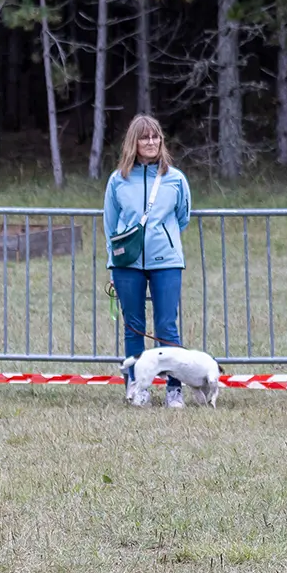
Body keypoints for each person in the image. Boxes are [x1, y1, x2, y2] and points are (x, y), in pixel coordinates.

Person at [105, 115, 192, 404]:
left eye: (156, 137)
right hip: (127, 265)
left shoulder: (176, 179)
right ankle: (136, 387)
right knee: (134, 326)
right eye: (145, 137)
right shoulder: (118, 180)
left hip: (166, 262)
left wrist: (161, 239)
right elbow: (111, 224)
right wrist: (113, 263)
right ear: (134, 142)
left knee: (167, 326)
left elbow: (182, 217)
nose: (151, 142)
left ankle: (174, 389)